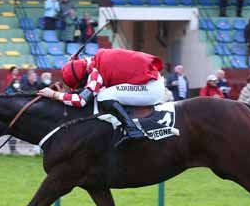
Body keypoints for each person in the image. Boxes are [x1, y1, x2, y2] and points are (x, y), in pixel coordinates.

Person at [37, 49, 165, 146]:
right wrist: (74, 62)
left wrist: (54, 94)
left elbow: (81, 101)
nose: (83, 86)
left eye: (81, 84)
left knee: (104, 95)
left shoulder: (95, 74)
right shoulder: (95, 58)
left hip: (151, 88)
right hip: (151, 78)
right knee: (107, 92)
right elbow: (79, 67)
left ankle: (133, 131)